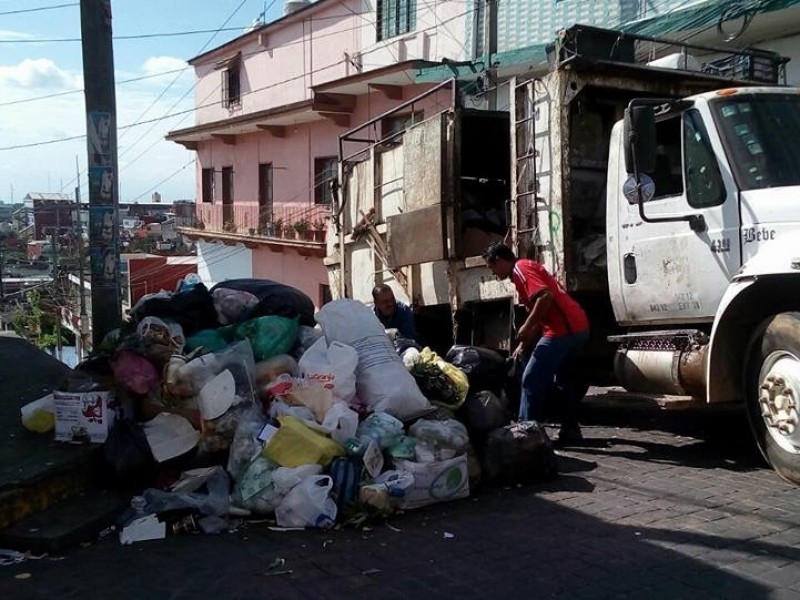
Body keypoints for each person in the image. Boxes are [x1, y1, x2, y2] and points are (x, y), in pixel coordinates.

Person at [483, 242, 589, 445]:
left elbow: (544, 297)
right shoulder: (523, 270)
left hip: (563, 330)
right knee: (565, 381)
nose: (494, 274)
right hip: (577, 326)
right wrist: (525, 342)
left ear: (500, 261)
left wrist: (527, 328)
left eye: (492, 267)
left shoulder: (520, 268)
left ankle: (525, 436)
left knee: (531, 379)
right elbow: (543, 309)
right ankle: (571, 431)